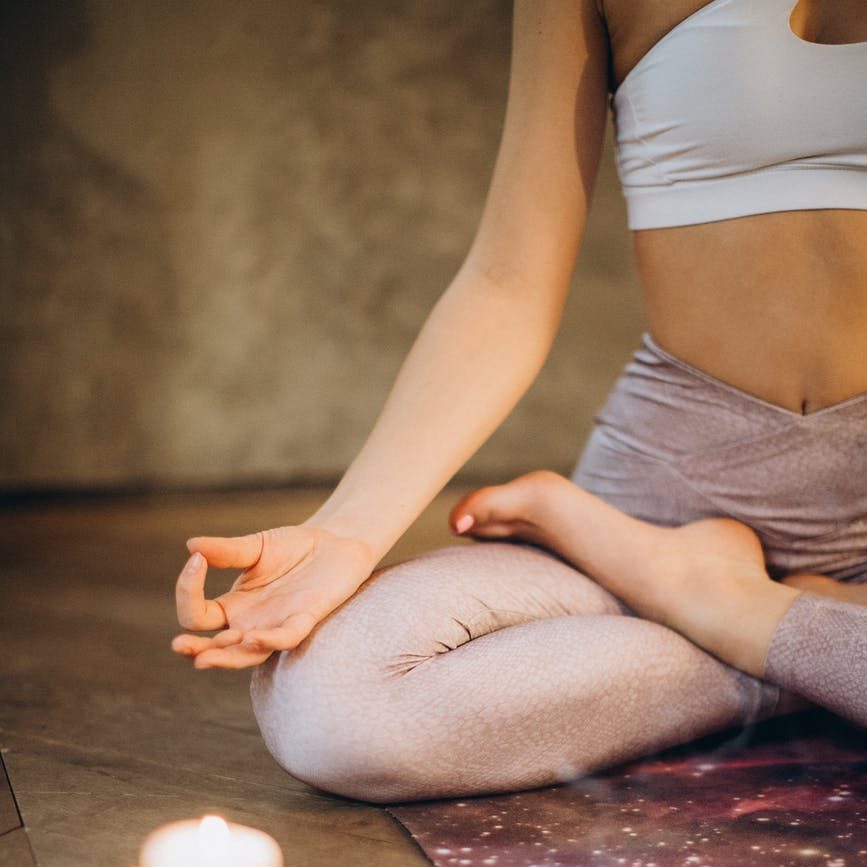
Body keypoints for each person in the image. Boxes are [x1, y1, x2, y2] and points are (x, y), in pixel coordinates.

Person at [172, 0, 867, 802]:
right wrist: (344, 532)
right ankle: (809, 643)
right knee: (328, 702)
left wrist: (750, 613)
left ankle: (730, 608)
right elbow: (508, 284)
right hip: (659, 507)